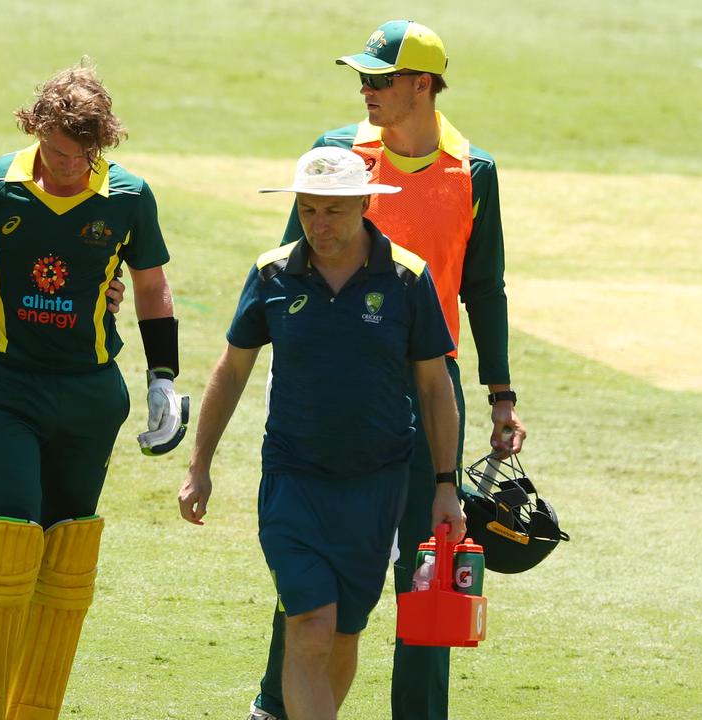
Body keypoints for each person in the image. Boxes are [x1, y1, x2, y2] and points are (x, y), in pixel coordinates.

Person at [246, 20, 528, 720]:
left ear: (423, 85)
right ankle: (274, 705)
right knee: (315, 553)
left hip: (431, 385)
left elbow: (483, 287)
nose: (365, 89)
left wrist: (500, 394)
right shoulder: (340, 154)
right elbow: (290, 266)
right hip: (338, 383)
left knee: (430, 563)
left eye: (380, 78)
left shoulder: (475, 171)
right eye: (362, 78)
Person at [0, 62, 190, 720]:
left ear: (101, 146)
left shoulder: (128, 196)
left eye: (80, 157)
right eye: (55, 152)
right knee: (5, 542)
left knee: (65, 562)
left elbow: (151, 287)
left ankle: (33, 711)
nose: (67, 168)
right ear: (36, 130)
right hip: (7, 390)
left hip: (90, 398)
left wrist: (164, 379)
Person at [178, 146, 466, 720]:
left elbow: (436, 388)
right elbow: (232, 369)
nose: (319, 225)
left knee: (345, 632)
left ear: (365, 203)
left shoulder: (408, 279)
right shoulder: (271, 274)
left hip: (377, 484)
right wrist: (199, 466)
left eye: (333, 211)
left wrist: (444, 483)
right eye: (308, 211)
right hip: (294, 479)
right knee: (310, 622)